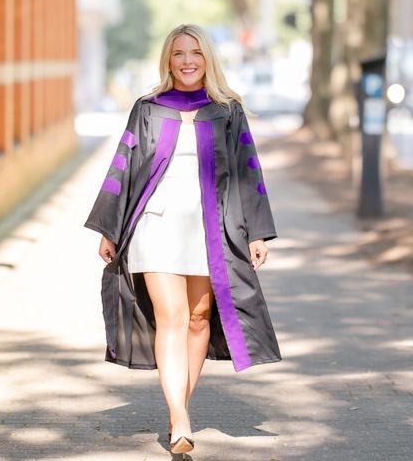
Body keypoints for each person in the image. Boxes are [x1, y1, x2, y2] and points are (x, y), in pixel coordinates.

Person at [84, 23, 282, 455]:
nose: (187, 61)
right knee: (171, 316)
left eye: (195, 53)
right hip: (155, 224)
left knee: (198, 318)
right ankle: (180, 420)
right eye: (178, 53)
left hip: (209, 227)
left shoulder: (228, 110)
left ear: (207, 58)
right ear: (168, 60)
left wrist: (257, 232)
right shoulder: (148, 108)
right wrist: (108, 227)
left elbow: (248, 171)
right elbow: (123, 165)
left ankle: (180, 407)